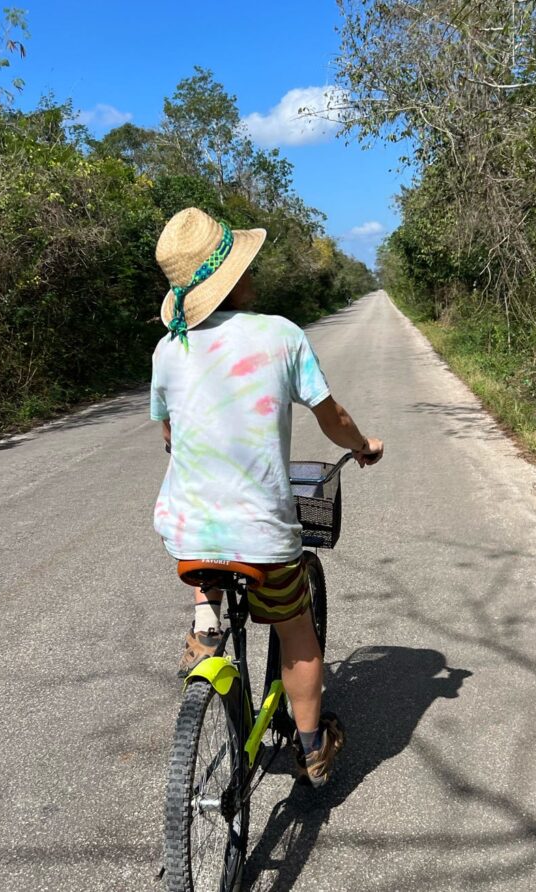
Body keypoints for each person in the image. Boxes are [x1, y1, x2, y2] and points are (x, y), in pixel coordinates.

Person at [149, 208, 383, 787]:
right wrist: (364, 445)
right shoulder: (280, 334)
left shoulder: (167, 349)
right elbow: (334, 417)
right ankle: (311, 747)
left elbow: (171, 437)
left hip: (187, 529)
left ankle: (205, 622)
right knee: (295, 630)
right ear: (234, 277)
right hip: (262, 536)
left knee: (206, 543)